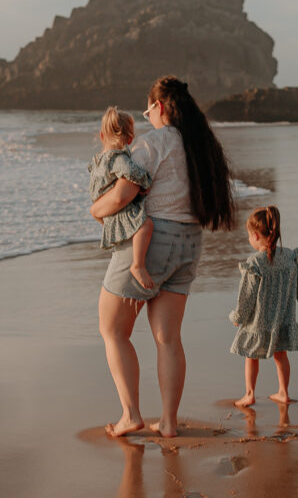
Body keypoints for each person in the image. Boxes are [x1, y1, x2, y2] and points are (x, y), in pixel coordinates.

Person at [90, 75, 234, 438]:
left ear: (160, 107)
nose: (147, 116)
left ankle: (131, 415)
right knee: (168, 337)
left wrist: (96, 210)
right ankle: (169, 422)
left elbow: (124, 194)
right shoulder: (200, 146)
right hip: (190, 243)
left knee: (112, 328)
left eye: (148, 109)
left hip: (153, 240)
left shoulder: (155, 142)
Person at [230, 205, 298, 407]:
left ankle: (249, 394)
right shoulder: (291, 257)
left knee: (250, 356)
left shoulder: (255, 263)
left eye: (249, 235)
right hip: (283, 320)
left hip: (258, 323)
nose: (249, 239)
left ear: (256, 235)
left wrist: (237, 317)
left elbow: (246, 298)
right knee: (280, 355)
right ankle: (283, 392)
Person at [88, 106, 155, 289]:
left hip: (103, 206)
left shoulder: (98, 160)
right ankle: (138, 265)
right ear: (130, 139)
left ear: (102, 136)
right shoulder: (117, 158)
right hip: (118, 206)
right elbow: (130, 171)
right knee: (146, 225)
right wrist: (145, 182)